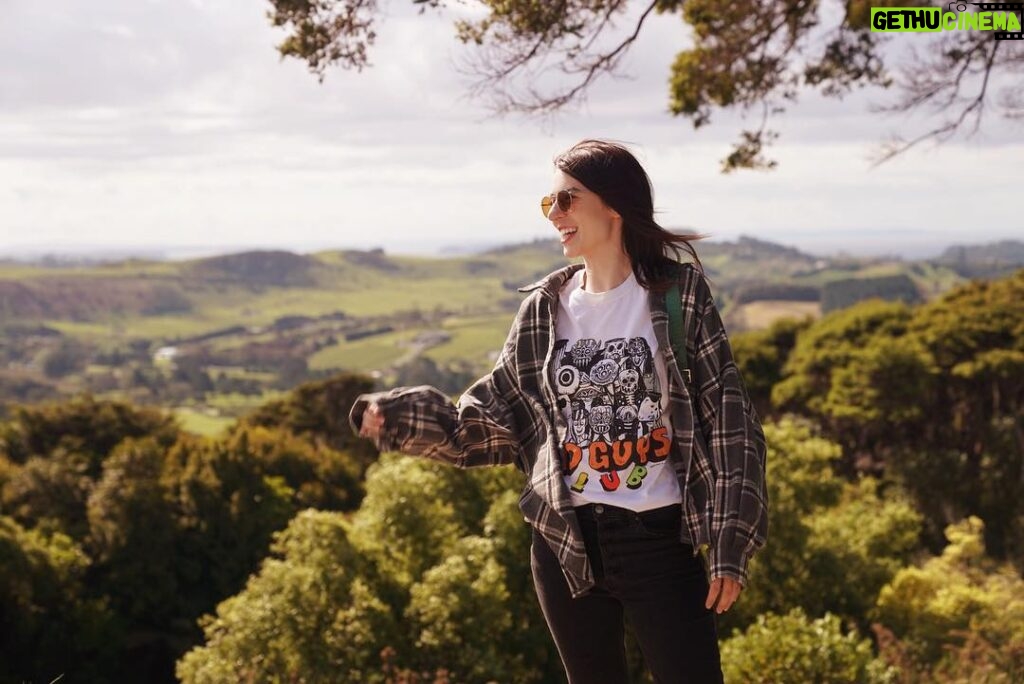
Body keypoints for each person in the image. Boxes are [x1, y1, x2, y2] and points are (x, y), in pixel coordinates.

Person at [350, 139, 768, 684]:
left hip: (661, 544)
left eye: (568, 200)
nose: (556, 216)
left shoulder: (677, 296)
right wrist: (397, 416)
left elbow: (731, 420)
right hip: (565, 541)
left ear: (614, 206)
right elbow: (488, 420)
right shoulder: (543, 312)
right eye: (549, 204)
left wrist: (730, 542)